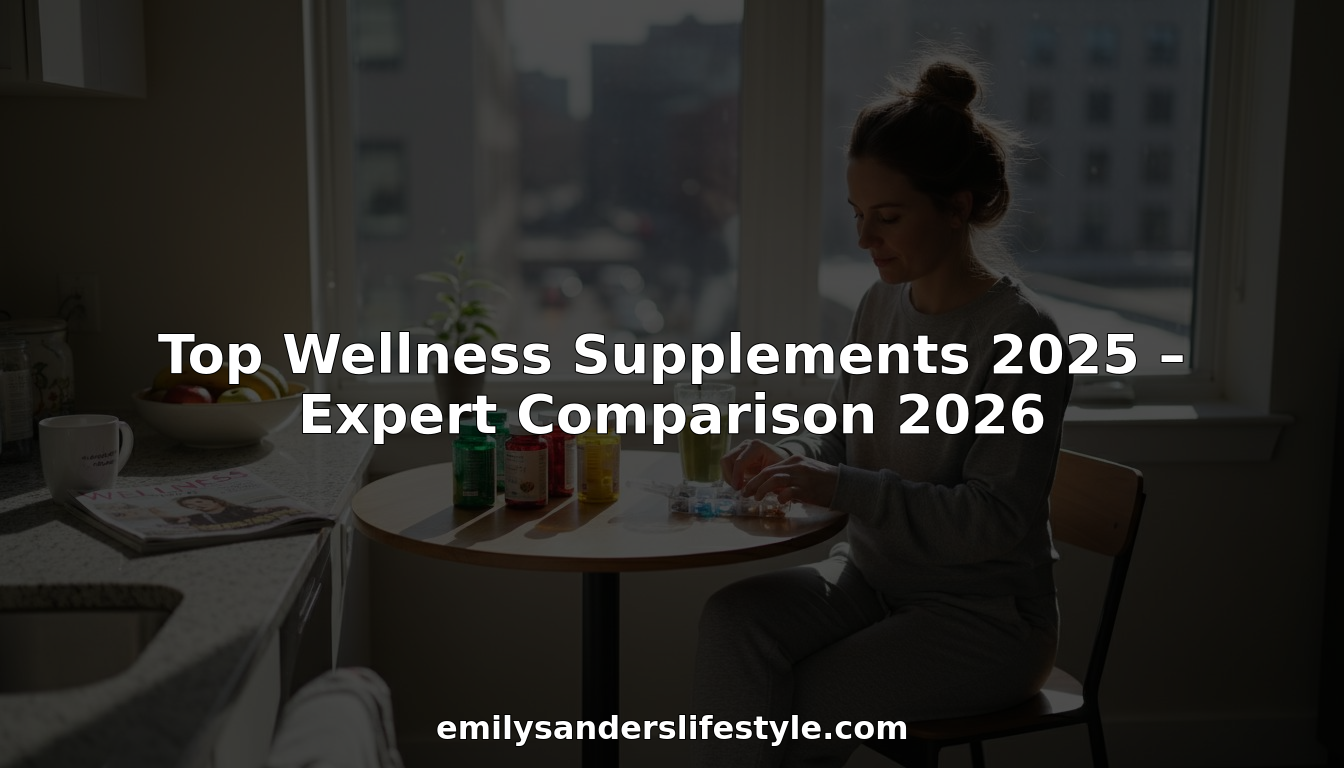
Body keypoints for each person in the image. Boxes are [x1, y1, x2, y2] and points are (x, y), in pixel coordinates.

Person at [692, 54, 1073, 767]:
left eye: (888, 218)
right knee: (734, 622)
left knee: (793, 709)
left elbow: (994, 521)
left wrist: (834, 485)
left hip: (985, 620)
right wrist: (790, 456)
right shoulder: (878, 306)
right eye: (859, 216)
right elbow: (843, 444)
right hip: (874, 581)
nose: (865, 240)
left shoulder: (1022, 339)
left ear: (956, 207)